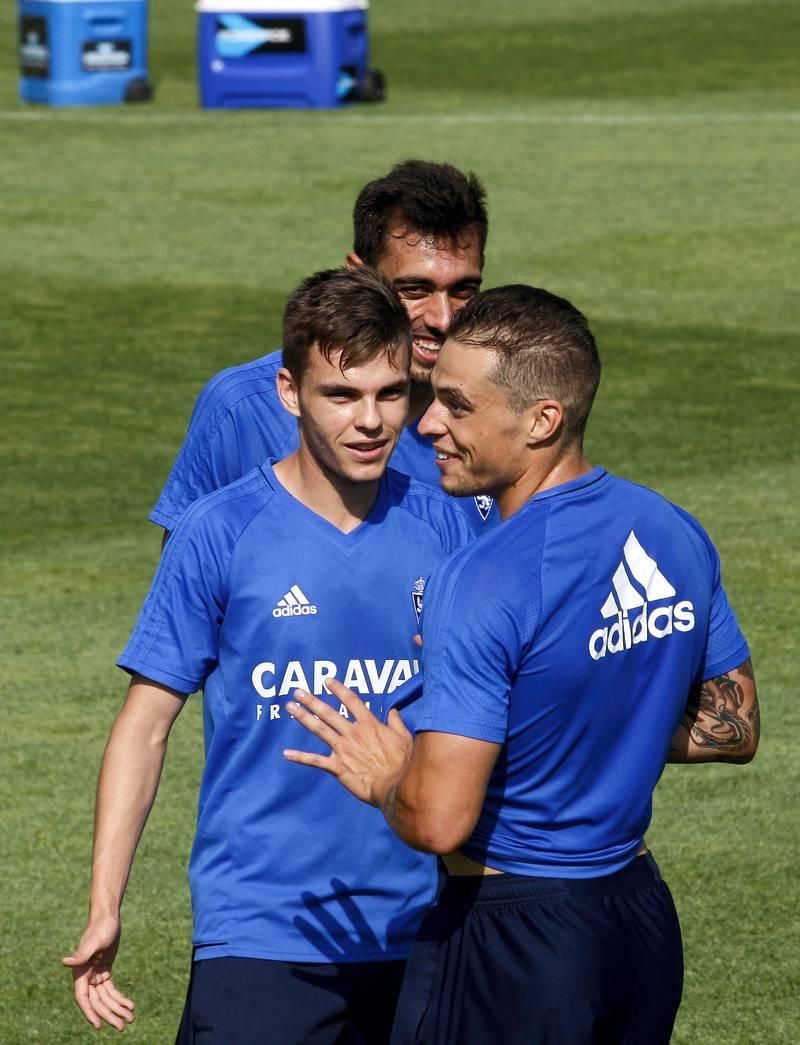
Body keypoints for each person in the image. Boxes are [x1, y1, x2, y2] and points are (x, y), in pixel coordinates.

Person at [283, 284, 761, 1045]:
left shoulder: (482, 577)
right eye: (430, 398)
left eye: (457, 406)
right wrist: (589, 718)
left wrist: (385, 779)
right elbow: (733, 726)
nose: (430, 424)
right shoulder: (671, 528)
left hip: (512, 937)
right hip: (637, 921)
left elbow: (439, 818)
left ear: (542, 420)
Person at [63, 267, 474, 1043]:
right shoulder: (218, 532)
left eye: (390, 394)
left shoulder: (450, 529)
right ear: (289, 392)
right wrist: (105, 902)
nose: (370, 421)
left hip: (428, 924)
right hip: (261, 932)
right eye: (341, 395)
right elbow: (145, 725)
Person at [150, 159, 499, 539]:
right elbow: (191, 579)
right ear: (358, 273)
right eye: (414, 290)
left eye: (464, 290)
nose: (443, 319)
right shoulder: (243, 409)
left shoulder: (500, 410)